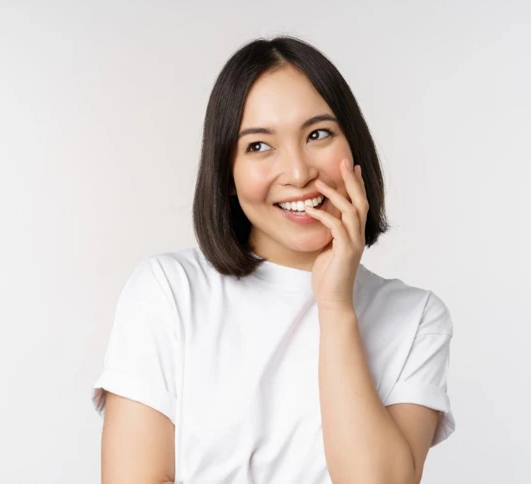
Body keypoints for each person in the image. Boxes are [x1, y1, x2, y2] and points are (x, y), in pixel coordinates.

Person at [91, 35, 455, 483]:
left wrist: (336, 307)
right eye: (259, 146)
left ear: (354, 148)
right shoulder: (168, 291)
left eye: (318, 134)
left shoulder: (415, 317)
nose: (299, 173)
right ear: (227, 173)